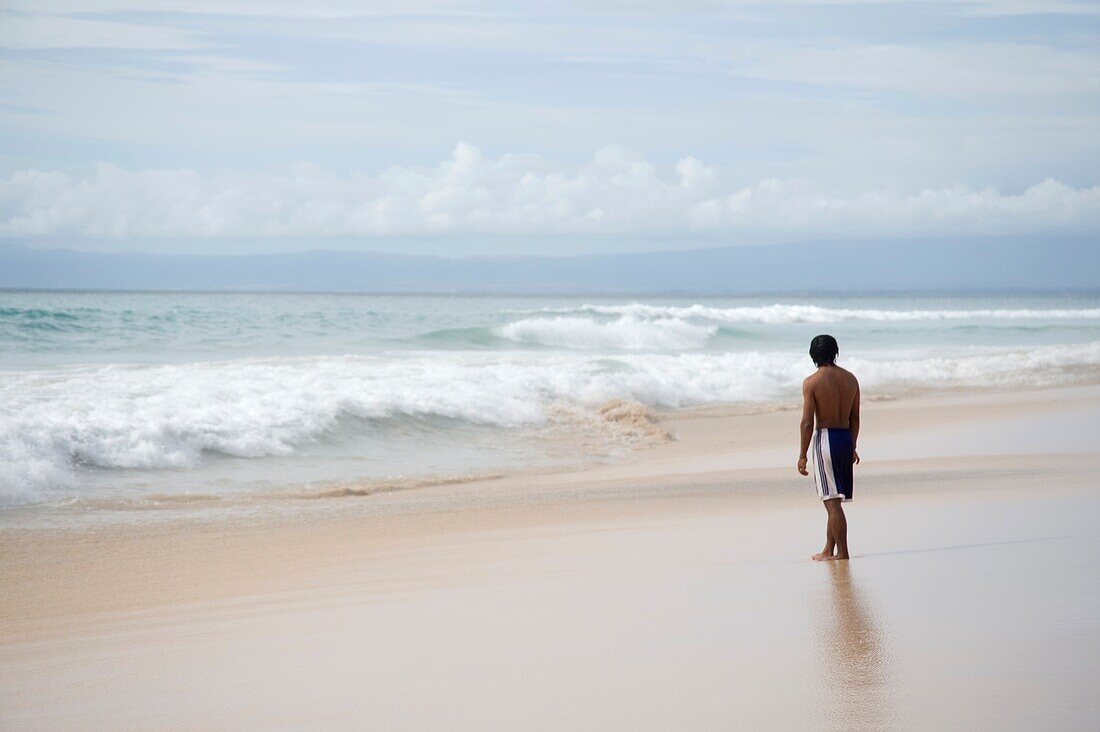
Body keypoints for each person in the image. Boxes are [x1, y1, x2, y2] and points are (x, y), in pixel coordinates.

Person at [797, 334, 860, 561]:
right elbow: (855, 417)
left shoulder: (812, 382)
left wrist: (802, 455)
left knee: (832, 503)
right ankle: (828, 549)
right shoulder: (851, 379)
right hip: (845, 438)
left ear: (813, 355)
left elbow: (807, 422)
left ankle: (842, 553)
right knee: (833, 499)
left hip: (826, 439)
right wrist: (852, 446)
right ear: (835, 352)